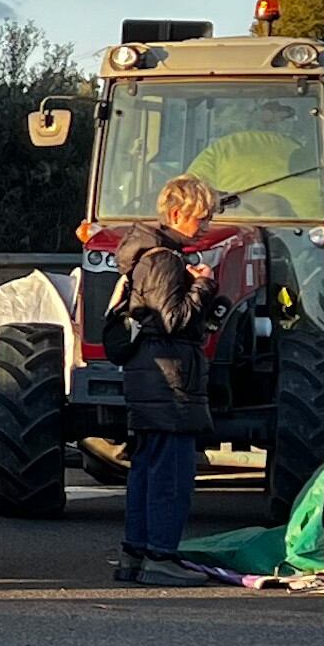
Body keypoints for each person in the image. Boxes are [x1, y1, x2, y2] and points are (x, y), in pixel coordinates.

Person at [106, 173, 226, 587]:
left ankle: (135, 556)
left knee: (146, 469)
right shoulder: (164, 260)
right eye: (201, 217)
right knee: (171, 476)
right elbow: (173, 320)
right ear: (177, 213)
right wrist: (204, 286)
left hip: (149, 378)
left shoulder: (146, 256)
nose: (207, 225)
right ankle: (160, 556)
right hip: (169, 382)